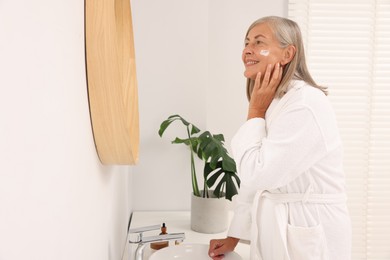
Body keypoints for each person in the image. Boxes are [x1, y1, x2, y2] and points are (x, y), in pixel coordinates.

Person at [208, 16, 351, 260]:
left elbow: (259, 173)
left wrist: (255, 113)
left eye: (258, 42)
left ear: (287, 54)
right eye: (246, 43)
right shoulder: (276, 102)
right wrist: (234, 236)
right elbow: (256, 181)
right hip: (284, 223)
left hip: (310, 229)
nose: (247, 51)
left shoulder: (304, 105)